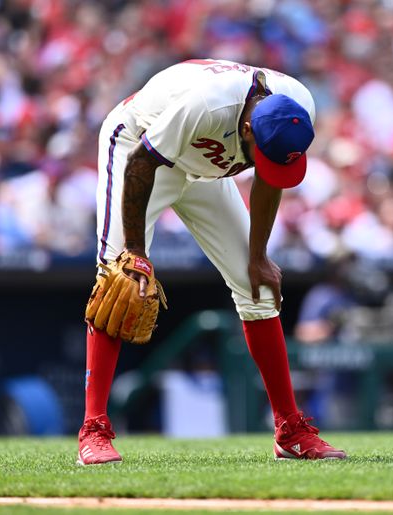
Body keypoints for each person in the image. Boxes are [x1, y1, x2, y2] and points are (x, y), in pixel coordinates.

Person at [78, 59, 346, 465]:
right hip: (141, 146)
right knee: (118, 279)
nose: (266, 164)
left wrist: (257, 257)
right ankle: (93, 429)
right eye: (262, 153)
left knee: (257, 289)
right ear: (248, 129)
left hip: (208, 166)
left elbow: (270, 179)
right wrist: (136, 252)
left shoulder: (296, 107)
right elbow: (141, 164)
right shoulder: (205, 106)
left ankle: (290, 430)